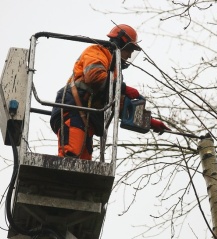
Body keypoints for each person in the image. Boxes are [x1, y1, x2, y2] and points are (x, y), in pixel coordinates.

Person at [50, 24, 170, 160]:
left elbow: (118, 104)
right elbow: (94, 76)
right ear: (120, 43)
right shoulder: (97, 51)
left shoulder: (114, 72)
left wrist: (149, 121)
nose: (130, 55)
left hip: (87, 120)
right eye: (129, 50)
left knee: (83, 165)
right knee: (70, 156)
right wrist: (124, 88)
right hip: (73, 110)